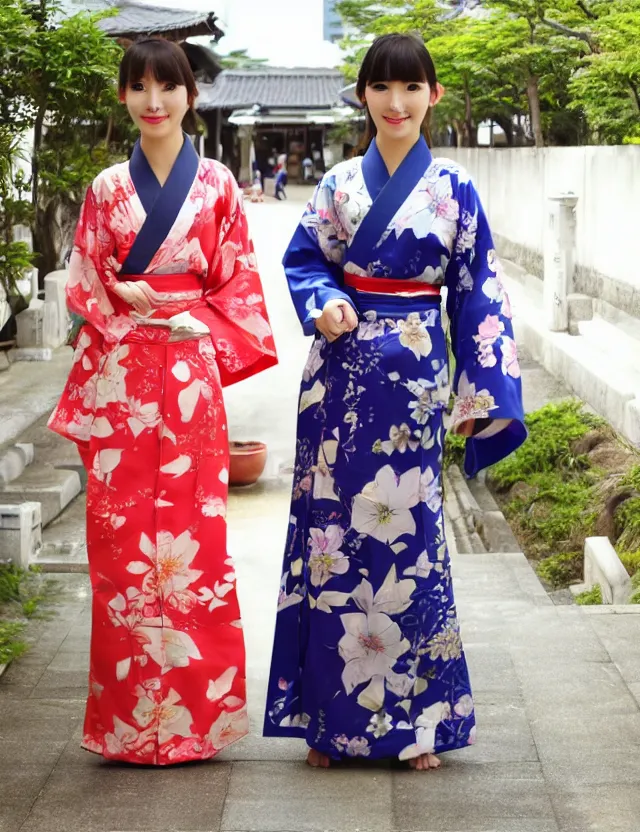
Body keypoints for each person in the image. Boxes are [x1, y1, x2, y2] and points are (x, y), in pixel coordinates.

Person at [263, 32, 526, 771]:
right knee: (330, 544)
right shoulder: (339, 185)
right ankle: (329, 720)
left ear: (433, 95)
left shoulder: (454, 189)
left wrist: (483, 395)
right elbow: (305, 258)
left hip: (413, 389)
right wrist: (323, 302)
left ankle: (419, 724)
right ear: (363, 97)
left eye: (412, 88)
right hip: (338, 381)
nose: (397, 102)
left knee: (410, 547)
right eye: (382, 87)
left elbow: (479, 294)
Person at [48, 37, 277, 765]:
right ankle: (125, 727)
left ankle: (194, 723)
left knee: (194, 550)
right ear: (124, 97)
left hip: (187, 378)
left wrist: (189, 319)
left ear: (191, 97)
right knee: (119, 550)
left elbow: (238, 284)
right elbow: (84, 276)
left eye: (167, 88)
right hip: (122, 378)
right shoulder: (105, 189)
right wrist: (120, 295)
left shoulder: (216, 187)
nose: (154, 101)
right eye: (140, 88)